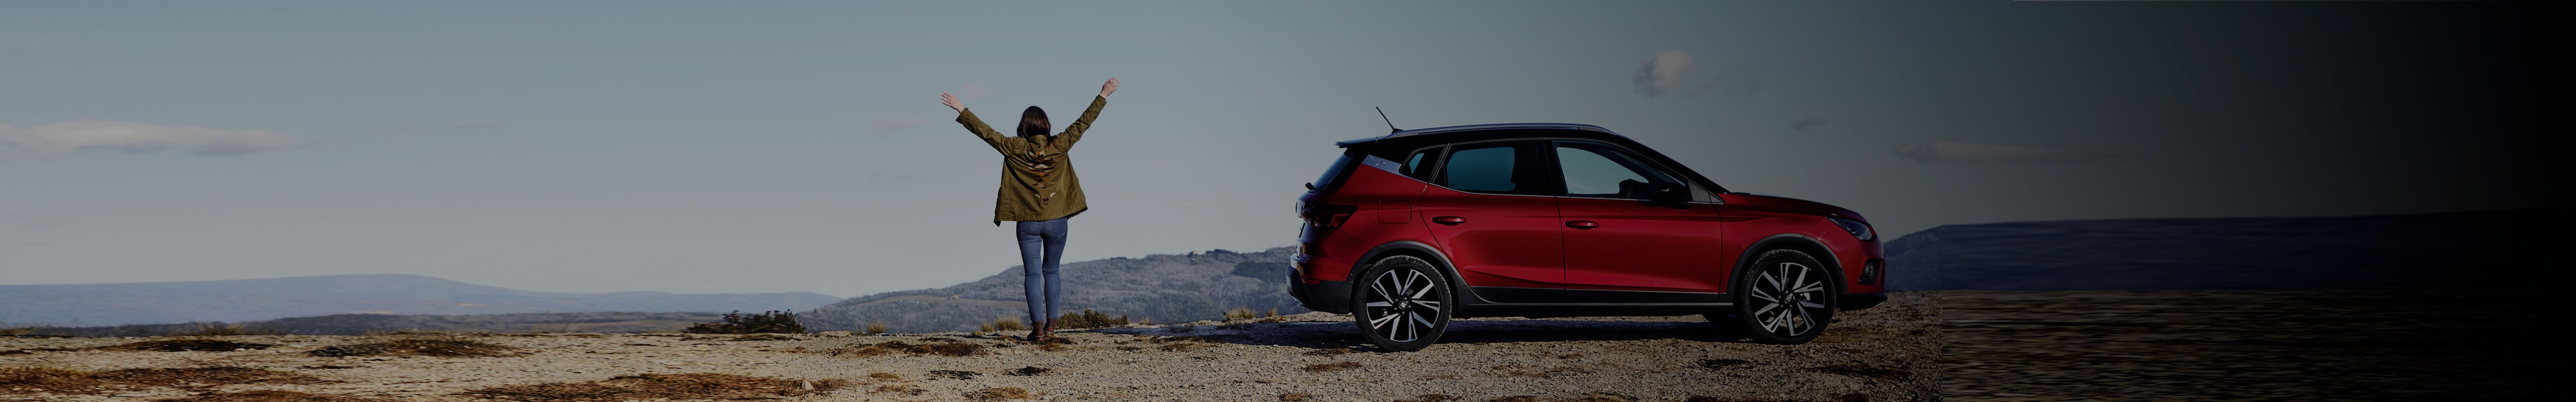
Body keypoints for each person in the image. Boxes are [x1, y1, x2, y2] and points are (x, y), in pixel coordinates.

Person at [941, 77, 1117, 341]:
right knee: (1052, 271)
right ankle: (1052, 328)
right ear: (1046, 126)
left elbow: (985, 132)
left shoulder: (1014, 147)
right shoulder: (1061, 144)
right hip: (1058, 221)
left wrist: (961, 109)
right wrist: (1104, 94)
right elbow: (1084, 122)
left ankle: (1037, 330)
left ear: (1024, 127)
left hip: (1028, 223)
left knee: (1033, 274)